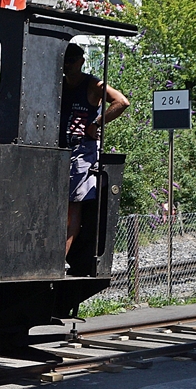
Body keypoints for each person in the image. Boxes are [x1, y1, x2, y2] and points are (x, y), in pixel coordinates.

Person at [61, 42, 129, 256]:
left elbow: (122, 102)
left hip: (81, 151)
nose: (67, 65)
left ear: (81, 61)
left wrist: (96, 123)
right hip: (58, 150)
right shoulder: (60, 84)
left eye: (72, 60)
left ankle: (60, 258)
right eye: (65, 60)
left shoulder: (92, 85)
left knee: (73, 206)